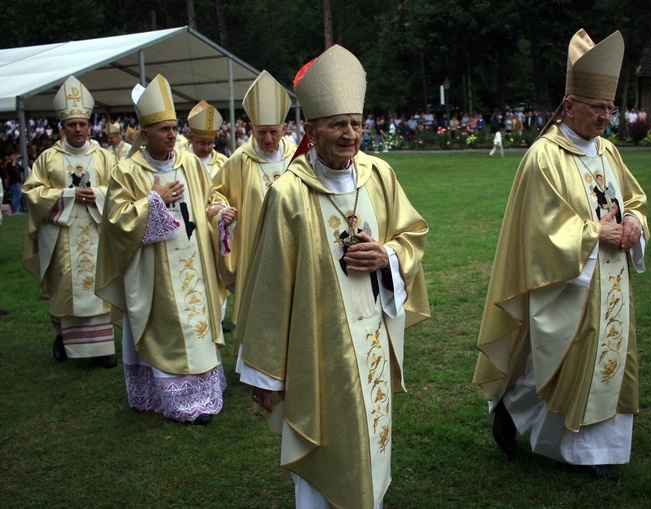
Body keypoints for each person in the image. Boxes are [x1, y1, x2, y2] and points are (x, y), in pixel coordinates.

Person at [235, 45, 430, 509]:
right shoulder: (288, 194)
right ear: (311, 129)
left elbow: (412, 234)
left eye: (356, 123)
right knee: (329, 438)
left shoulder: (379, 176)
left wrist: (388, 257)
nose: (349, 134)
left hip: (374, 339)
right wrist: (265, 373)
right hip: (317, 349)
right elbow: (270, 285)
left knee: (371, 435)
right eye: (337, 123)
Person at [473, 29, 649, 481]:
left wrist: (633, 223)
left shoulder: (608, 151)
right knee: (563, 360)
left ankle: (599, 449)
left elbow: (633, 199)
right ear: (569, 106)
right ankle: (549, 433)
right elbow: (541, 229)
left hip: (610, 281)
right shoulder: (543, 157)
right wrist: (595, 235)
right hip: (569, 280)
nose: (604, 118)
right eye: (596, 109)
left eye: (609, 109)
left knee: (609, 355)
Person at [95, 74, 238, 425]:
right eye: (163, 130)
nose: (172, 135)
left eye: (174, 128)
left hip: (194, 259)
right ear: (144, 134)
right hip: (154, 269)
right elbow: (116, 223)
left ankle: (204, 393)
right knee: (170, 324)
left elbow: (205, 204)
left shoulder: (189, 163)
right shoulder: (127, 172)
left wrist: (220, 216)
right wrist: (155, 201)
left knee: (196, 323)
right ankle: (173, 399)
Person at [22, 76, 118, 368]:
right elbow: (32, 192)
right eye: (71, 125)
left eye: (82, 124)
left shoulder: (104, 157)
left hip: (98, 234)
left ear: (90, 126)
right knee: (67, 287)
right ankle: (64, 339)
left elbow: (120, 191)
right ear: (61, 127)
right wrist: (68, 194)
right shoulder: (48, 159)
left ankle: (102, 350)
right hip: (64, 235)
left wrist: (99, 195)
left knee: (99, 287)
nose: (77, 129)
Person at [212, 70, 296, 327]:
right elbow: (216, 193)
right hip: (254, 246)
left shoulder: (298, 158)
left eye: (273, 131)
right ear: (251, 129)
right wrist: (222, 211)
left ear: (285, 128)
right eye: (261, 132)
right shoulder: (240, 158)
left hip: (292, 242)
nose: (268, 139)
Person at [185, 100, 228, 178]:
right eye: (202, 143)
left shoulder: (223, 162)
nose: (206, 148)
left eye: (210, 143)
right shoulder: (180, 160)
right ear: (191, 139)